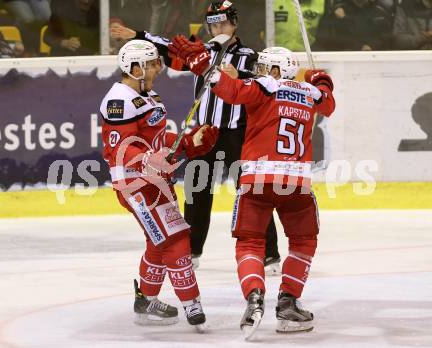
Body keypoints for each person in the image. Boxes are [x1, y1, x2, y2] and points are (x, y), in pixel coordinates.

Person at [169, 41, 335, 337]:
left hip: (257, 178)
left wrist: (204, 66)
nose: (257, 72)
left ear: (275, 70)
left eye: (262, 67)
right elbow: (329, 104)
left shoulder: (265, 87)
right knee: (303, 240)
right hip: (296, 182)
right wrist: (321, 81)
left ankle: (254, 297)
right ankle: (288, 302)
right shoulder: (309, 94)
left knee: (249, 242)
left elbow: (230, 90)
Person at [110, 0, 281, 275]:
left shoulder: (250, 55)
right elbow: (168, 47)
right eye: (213, 24)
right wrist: (138, 36)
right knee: (197, 192)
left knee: (251, 195)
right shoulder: (201, 52)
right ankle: (192, 250)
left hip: (238, 133)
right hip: (205, 133)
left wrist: (243, 75)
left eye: (223, 22)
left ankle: (270, 253)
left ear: (234, 23)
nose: (218, 28)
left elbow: (269, 84)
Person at [99, 40, 218, 330]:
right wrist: (150, 160)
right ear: (136, 68)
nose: (158, 68)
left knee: (159, 241)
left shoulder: (147, 94)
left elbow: (157, 140)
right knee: (175, 239)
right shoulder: (119, 100)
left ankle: (146, 302)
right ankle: (192, 304)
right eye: (152, 63)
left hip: (155, 181)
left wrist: (189, 143)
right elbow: (121, 151)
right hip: (135, 185)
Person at [314, 0, 394, 51]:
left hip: (374, 57)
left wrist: (372, 46)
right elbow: (331, 38)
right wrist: (344, 19)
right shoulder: (338, 10)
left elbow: (385, 36)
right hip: (344, 56)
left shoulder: (379, 10)